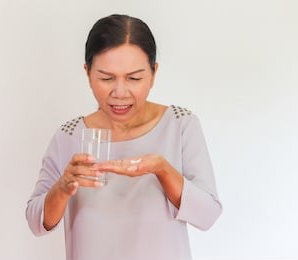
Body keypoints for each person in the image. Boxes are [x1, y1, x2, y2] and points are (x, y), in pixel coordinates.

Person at [26, 14, 222, 260]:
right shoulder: (69, 135)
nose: (119, 92)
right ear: (87, 73)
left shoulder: (181, 124)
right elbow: (36, 222)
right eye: (106, 78)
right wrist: (63, 187)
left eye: (134, 78)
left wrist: (162, 169)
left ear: (153, 73)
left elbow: (207, 216)